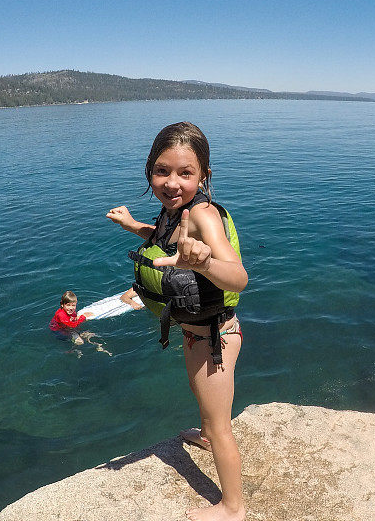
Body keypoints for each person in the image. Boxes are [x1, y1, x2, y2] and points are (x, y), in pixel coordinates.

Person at [107, 122, 248, 521]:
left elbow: (238, 276)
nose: (172, 183)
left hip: (216, 339)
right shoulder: (174, 212)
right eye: (162, 171)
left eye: (185, 173)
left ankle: (233, 507)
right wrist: (134, 226)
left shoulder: (203, 215)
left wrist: (204, 262)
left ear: (203, 174)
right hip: (197, 334)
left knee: (221, 425)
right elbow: (164, 237)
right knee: (201, 397)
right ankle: (204, 436)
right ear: (149, 171)